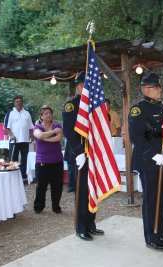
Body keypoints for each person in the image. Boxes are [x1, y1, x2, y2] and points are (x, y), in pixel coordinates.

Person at [128, 72, 163, 251]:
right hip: (148, 160)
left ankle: (161, 234)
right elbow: (137, 137)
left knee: (162, 198)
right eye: (156, 87)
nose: (159, 90)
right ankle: (151, 236)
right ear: (145, 89)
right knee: (151, 199)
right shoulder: (138, 109)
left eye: (159, 87)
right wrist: (152, 154)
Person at [62, 71, 104, 241]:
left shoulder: (94, 104)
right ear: (79, 87)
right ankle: (81, 227)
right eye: (86, 86)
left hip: (93, 153)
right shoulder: (72, 105)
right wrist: (79, 153)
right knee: (82, 192)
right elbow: (69, 132)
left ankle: (91, 224)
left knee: (93, 189)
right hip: (79, 155)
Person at [33, 105, 64, 214]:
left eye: (50, 113)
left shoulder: (57, 126)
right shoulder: (37, 127)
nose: (48, 115)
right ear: (41, 116)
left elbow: (58, 138)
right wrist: (52, 132)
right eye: (45, 113)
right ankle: (38, 207)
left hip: (57, 161)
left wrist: (45, 138)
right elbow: (40, 135)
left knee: (57, 185)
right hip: (42, 162)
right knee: (41, 186)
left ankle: (56, 206)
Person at [4, 95, 34, 181]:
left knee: (24, 158)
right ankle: (13, 176)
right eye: (16, 101)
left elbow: (31, 127)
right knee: (13, 159)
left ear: (22, 102)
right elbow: (6, 127)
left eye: (20, 101)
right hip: (14, 140)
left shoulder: (27, 113)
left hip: (24, 139)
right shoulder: (10, 113)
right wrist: (11, 135)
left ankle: (23, 176)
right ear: (14, 103)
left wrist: (32, 135)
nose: (18, 103)